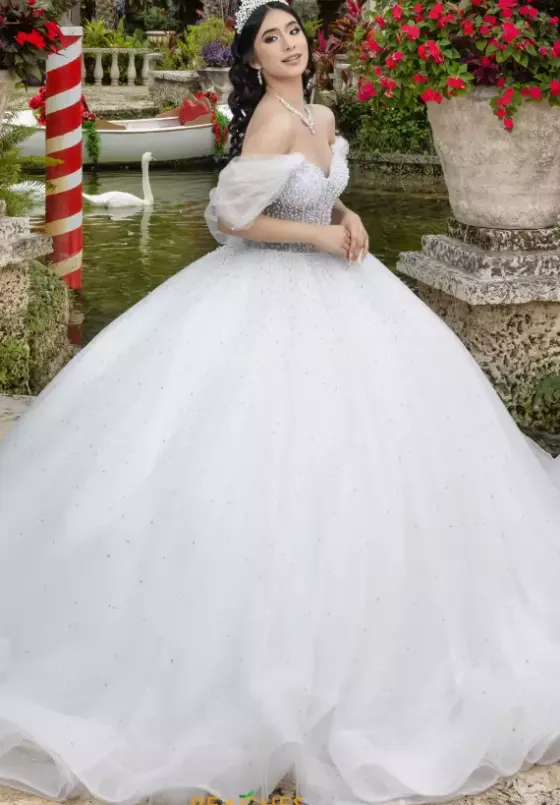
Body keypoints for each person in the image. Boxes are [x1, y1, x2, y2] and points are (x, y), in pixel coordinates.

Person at [1, 2, 560, 804]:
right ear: (253, 60)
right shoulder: (266, 121)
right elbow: (231, 218)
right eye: (271, 38)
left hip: (345, 290)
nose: (289, 44)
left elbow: (319, 191)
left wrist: (345, 213)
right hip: (271, 289)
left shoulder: (320, 115)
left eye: (293, 31)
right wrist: (318, 236)